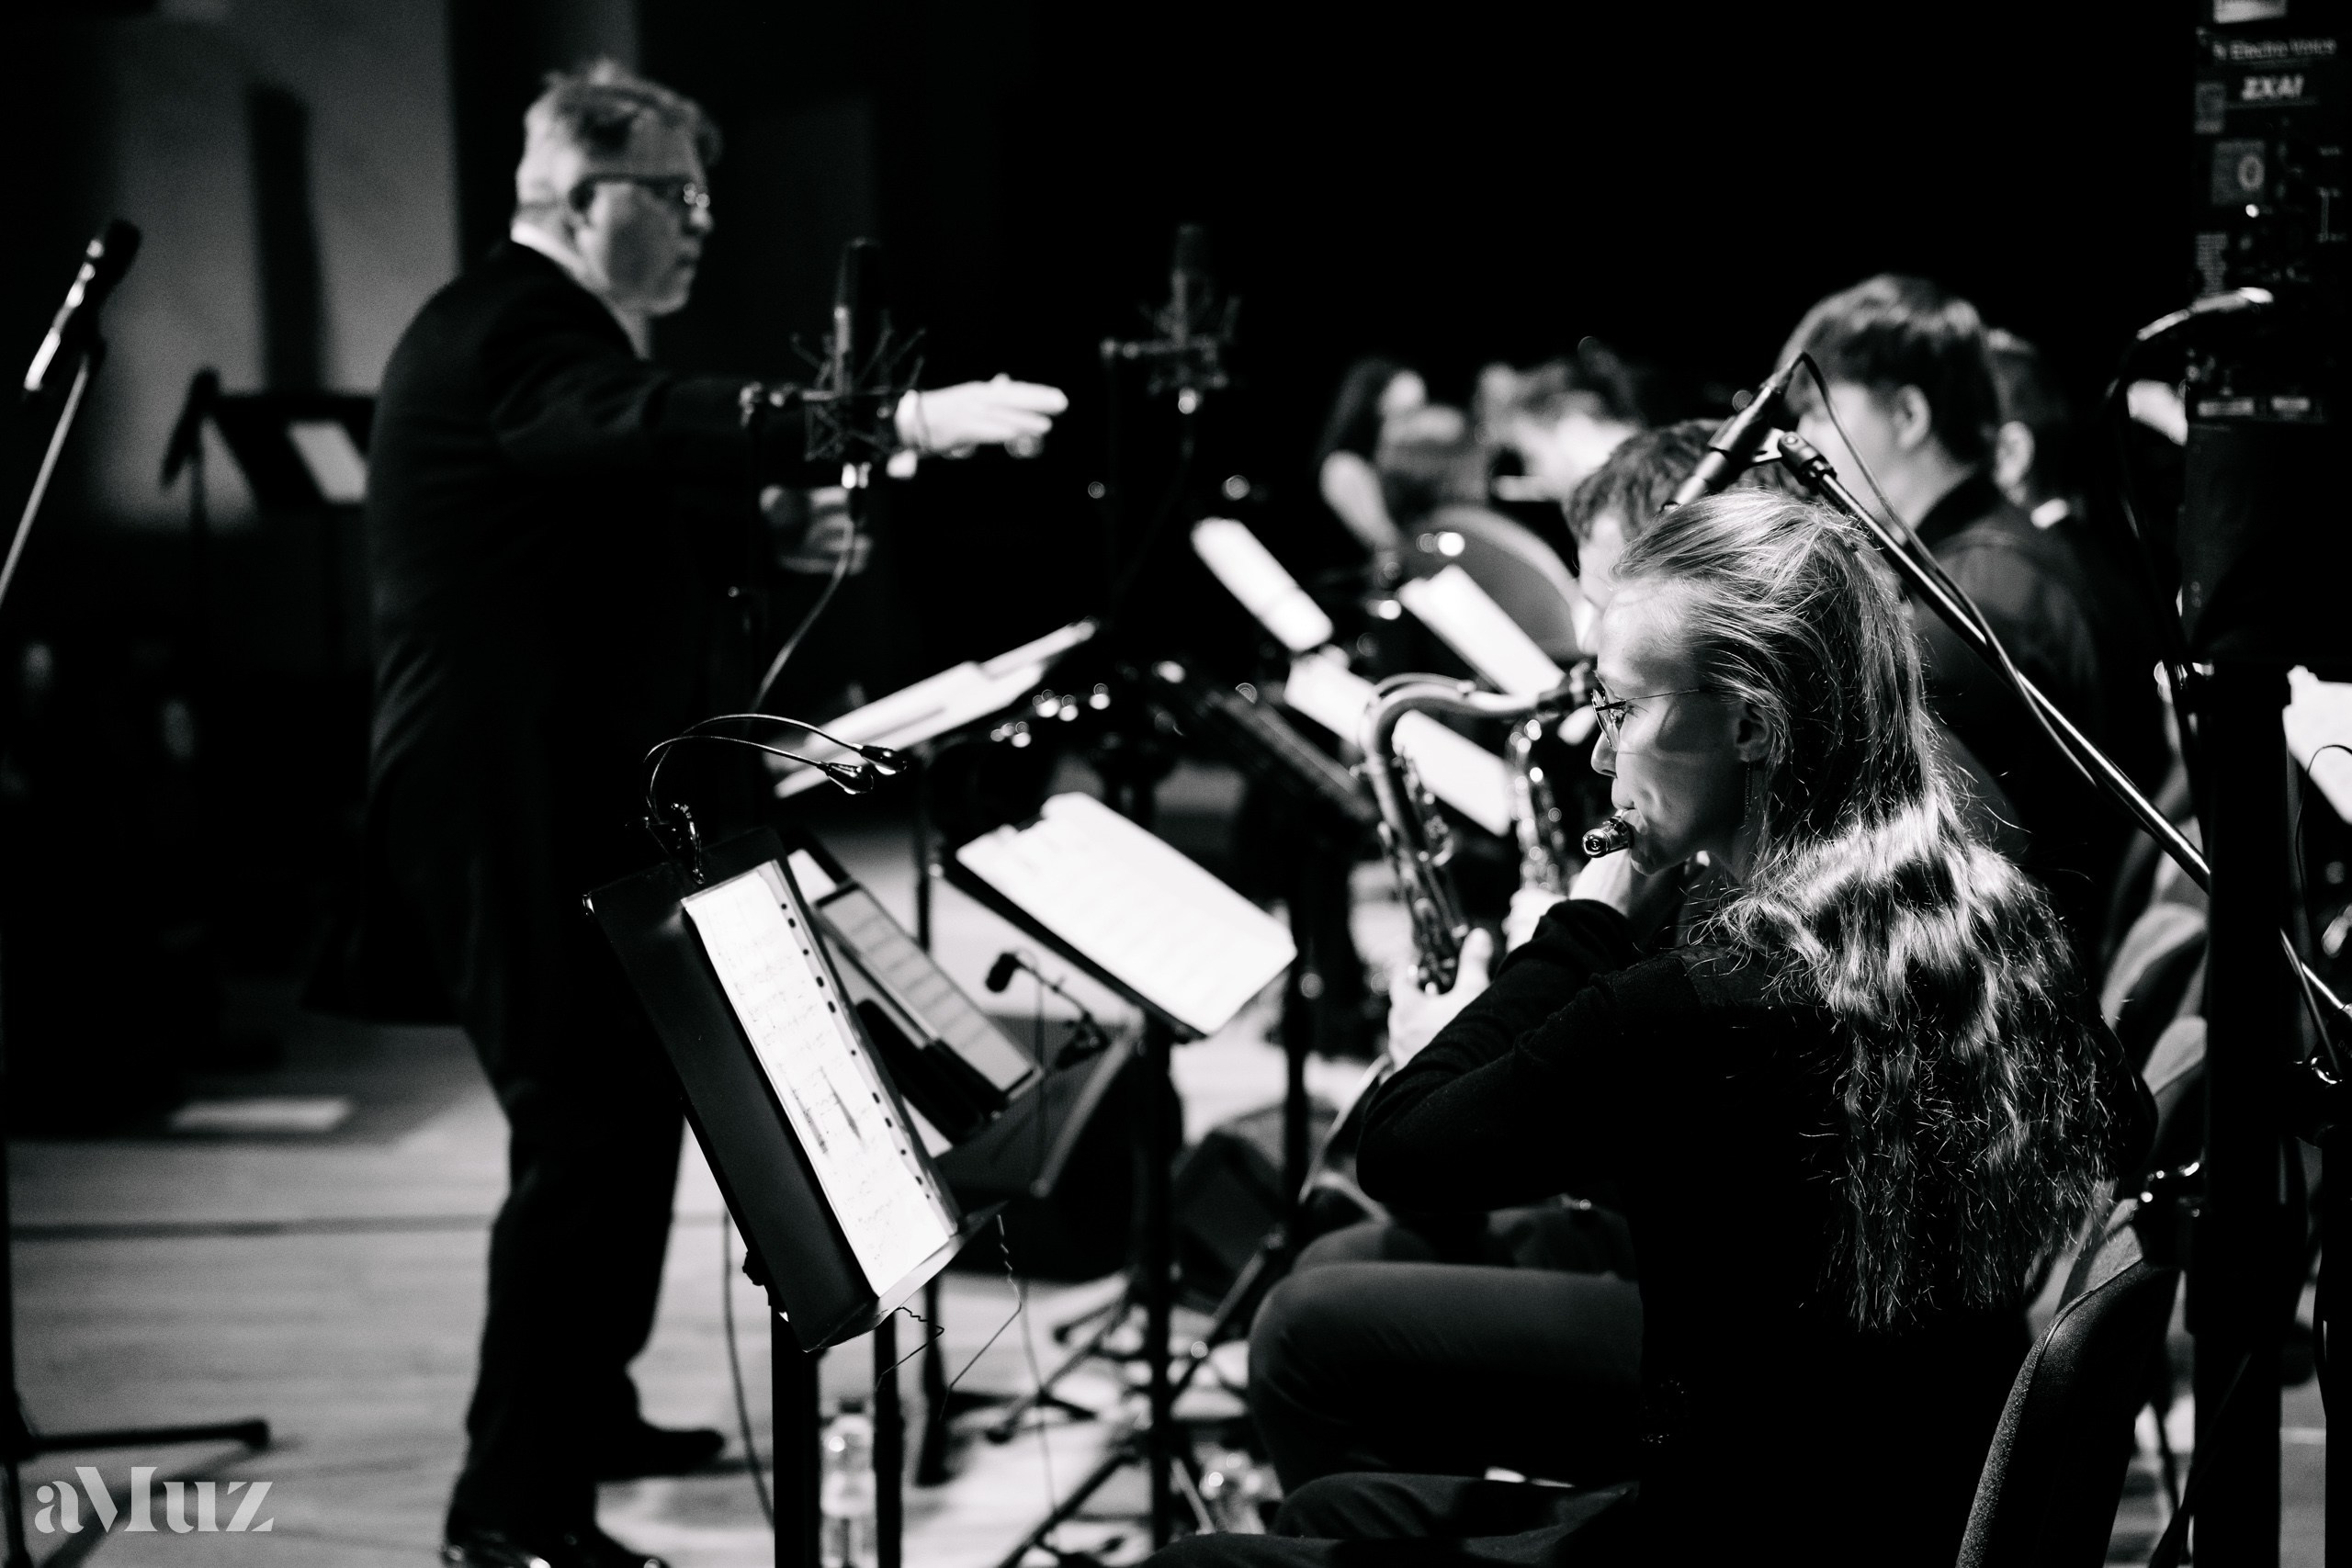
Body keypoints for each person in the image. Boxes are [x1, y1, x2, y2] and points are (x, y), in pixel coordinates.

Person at [354, 62, 1064, 1568]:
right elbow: (622, 423)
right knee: (582, 1137)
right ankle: (510, 1512)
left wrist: (764, 528)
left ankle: (582, 1412)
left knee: (623, 1116)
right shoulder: (508, 328)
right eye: (670, 195)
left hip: (577, 790)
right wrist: (898, 419)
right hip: (510, 799)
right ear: (573, 192)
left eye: (703, 196)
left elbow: (608, 500)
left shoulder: (557, 348)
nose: (698, 222)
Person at [1163, 491, 2148, 1568]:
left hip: (1728, 1538)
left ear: (1752, 725)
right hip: (1882, 1504)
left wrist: (1582, 922)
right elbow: (2124, 1122)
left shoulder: (1705, 1006)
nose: (1597, 754)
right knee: (1333, 1512)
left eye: (1622, 710)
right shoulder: (1978, 909)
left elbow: (1402, 1147)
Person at [1781, 275, 2164, 961]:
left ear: (1907, 416)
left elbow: (1916, 883)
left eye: (1818, 412)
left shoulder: (1971, 602)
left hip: (2030, 1007)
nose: (1804, 440)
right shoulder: (2020, 551)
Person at [1316, 356, 1430, 563]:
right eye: (1405, 414)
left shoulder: (1391, 474)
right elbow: (1389, 549)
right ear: (1373, 411)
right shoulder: (1344, 468)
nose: (1418, 427)